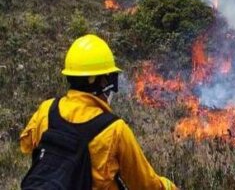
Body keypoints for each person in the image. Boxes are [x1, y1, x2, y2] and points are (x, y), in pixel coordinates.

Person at [20, 34, 177, 189]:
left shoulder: (46, 110)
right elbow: (146, 185)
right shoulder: (114, 130)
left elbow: (26, 145)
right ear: (102, 81)